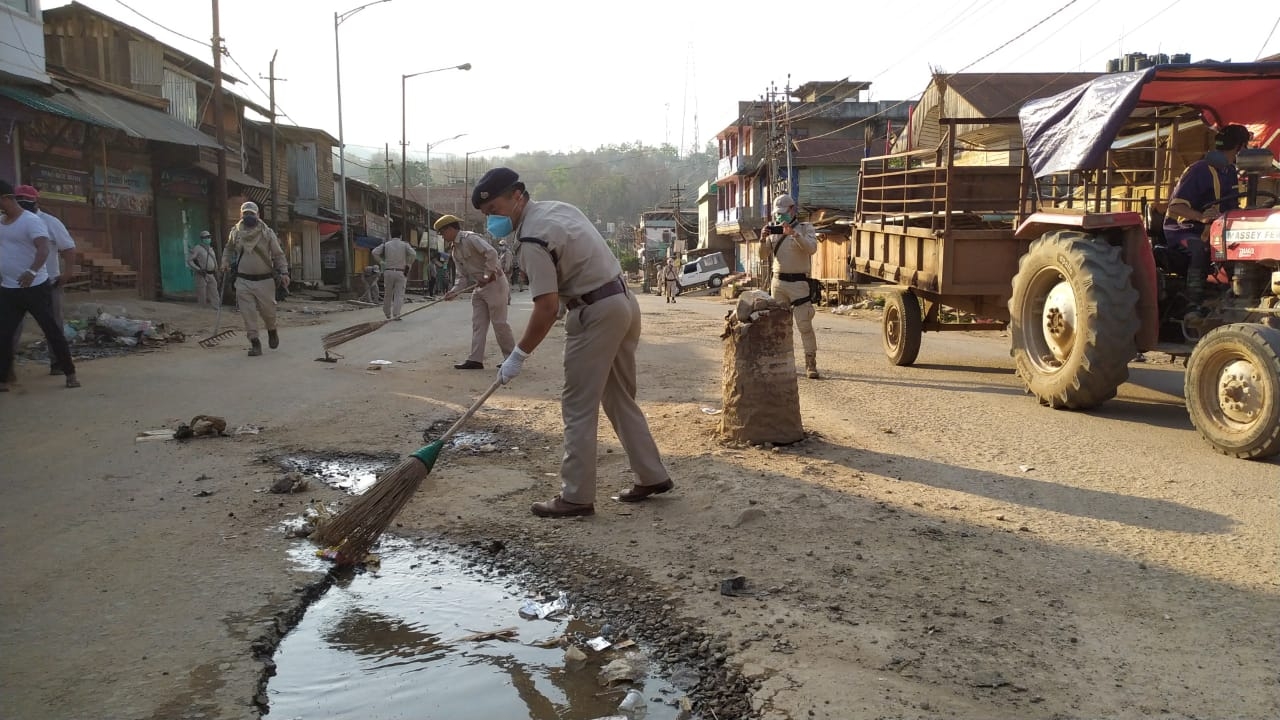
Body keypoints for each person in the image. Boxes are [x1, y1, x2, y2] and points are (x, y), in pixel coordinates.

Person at [473, 167, 673, 518]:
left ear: (517, 195)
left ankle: (576, 496)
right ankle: (651, 474)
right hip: (623, 302)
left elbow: (547, 307)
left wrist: (518, 354)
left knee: (578, 406)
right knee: (618, 397)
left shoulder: (531, 238)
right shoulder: (558, 209)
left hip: (594, 312)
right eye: (487, 215)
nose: (492, 221)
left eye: (494, 210)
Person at [0, 179, 79, 391]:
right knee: (5, 333)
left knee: (52, 329)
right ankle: (5, 376)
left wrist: (34, 271)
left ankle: (67, 371)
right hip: (9, 288)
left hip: (39, 285)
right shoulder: (1, 222)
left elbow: (46, 249)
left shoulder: (37, 221)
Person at [1163, 124, 1251, 310]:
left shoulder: (1229, 172)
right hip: (1185, 230)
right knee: (1200, 249)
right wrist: (1201, 217)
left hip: (1215, 229)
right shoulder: (1198, 170)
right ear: (1240, 147)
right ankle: (1193, 302)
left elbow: (1232, 206)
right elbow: (1175, 206)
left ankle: (1240, 297)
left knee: (1240, 247)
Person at [433, 213, 515, 370]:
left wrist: (486, 275)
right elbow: (462, 277)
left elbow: (491, 253)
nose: (442, 236)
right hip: (479, 287)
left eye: (442, 232)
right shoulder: (455, 250)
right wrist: (454, 292)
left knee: (499, 323)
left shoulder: (470, 239)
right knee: (478, 324)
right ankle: (475, 359)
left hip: (495, 283)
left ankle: (511, 358)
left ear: (450, 229)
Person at [220, 201, 289, 356]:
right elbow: (228, 248)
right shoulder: (236, 232)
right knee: (248, 314)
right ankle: (255, 342)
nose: (248, 216)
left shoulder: (267, 233)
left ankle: (272, 330)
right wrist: (225, 262)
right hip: (243, 281)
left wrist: (284, 272)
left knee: (268, 313)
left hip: (265, 281)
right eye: (245, 213)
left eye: (251, 213)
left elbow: (278, 255)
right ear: (241, 215)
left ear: (258, 215)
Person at [763, 193, 821, 379]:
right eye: (778, 213)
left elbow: (811, 248)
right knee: (778, 326)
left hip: (799, 284)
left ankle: (810, 363)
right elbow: (762, 255)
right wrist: (762, 239)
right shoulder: (774, 231)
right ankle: (781, 363)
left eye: (783, 212)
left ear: (792, 209)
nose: (780, 216)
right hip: (778, 283)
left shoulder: (805, 228)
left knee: (804, 324)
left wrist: (794, 234)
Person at [372, 232, 415, 320]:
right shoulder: (405, 245)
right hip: (401, 272)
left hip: (388, 271)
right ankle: (396, 314)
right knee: (399, 294)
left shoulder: (386, 244)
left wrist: (381, 262)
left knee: (388, 294)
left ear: (391, 236)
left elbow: (374, 252)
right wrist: (409, 264)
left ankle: (387, 314)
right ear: (401, 236)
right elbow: (413, 254)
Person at [187, 230, 219, 308]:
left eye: (209, 237)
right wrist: (198, 269)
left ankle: (216, 307)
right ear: (202, 239)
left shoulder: (210, 248)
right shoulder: (197, 248)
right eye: (206, 237)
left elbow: (214, 260)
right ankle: (202, 309)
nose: (208, 239)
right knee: (202, 293)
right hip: (202, 274)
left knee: (214, 291)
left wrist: (217, 270)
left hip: (211, 273)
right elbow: (189, 260)